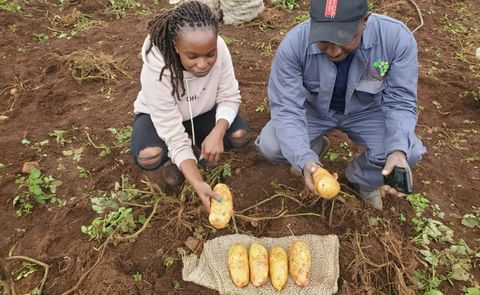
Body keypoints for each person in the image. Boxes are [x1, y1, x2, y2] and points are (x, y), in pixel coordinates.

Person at [255, 0, 426, 210]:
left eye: (344, 39)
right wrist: (304, 158)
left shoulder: (396, 39)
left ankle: (361, 178)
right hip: (315, 112)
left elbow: (400, 101)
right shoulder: (294, 44)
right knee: (272, 145)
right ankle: (314, 148)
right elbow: (286, 108)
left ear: (364, 21)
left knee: (408, 150)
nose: (334, 51)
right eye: (324, 41)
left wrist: (397, 151)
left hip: (366, 112)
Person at [130, 1, 249, 212]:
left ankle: (197, 149)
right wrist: (198, 182)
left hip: (202, 113)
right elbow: (172, 131)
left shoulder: (220, 47)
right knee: (149, 156)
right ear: (176, 47)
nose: (203, 64)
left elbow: (230, 95)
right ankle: (176, 160)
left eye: (210, 55)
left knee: (238, 135)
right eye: (192, 57)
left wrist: (218, 132)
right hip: (158, 119)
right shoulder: (156, 70)